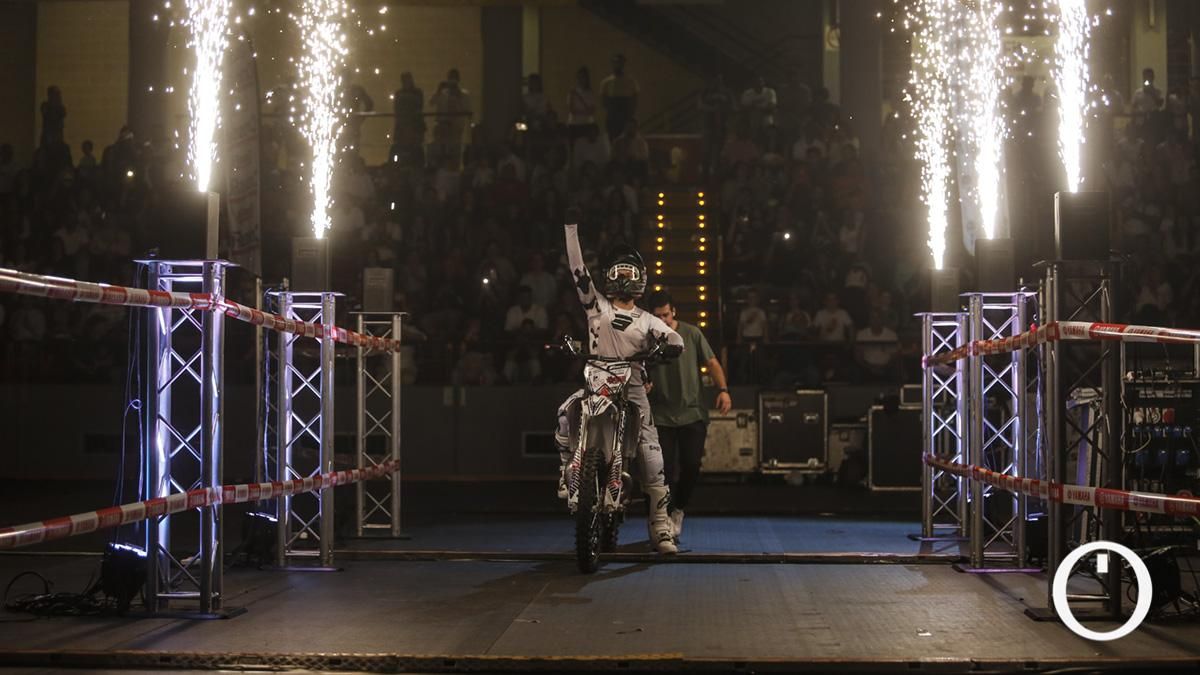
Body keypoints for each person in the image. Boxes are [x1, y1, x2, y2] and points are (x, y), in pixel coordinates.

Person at [554, 217, 684, 554]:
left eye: (629, 273)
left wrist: (670, 344)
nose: (623, 279)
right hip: (596, 381)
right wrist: (571, 229)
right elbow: (577, 268)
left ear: (640, 279)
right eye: (618, 272)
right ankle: (565, 470)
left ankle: (660, 528)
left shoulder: (648, 319)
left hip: (634, 385)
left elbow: (673, 336)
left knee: (653, 459)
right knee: (566, 414)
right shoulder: (596, 307)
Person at [645, 290, 731, 542]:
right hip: (661, 414)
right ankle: (662, 518)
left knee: (692, 466)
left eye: (666, 315)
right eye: (658, 316)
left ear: (674, 312)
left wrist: (723, 390)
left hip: (692, 412)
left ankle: (678, 510)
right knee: (664, 470)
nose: (663, 320)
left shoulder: (691, 333)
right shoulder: (647, 338)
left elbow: (712, 362)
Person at [600, 54, 639, 140]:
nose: (618, 65)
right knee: (612, 139)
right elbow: (604, 101)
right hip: (612, 116)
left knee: (627, 139)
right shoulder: (606, 82)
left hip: (626, 116)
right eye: (615, 62)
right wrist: (612, 111)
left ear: (623, 64)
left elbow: (635, 98)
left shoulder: (631, 81)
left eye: (620, 63)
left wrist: (630, 112)